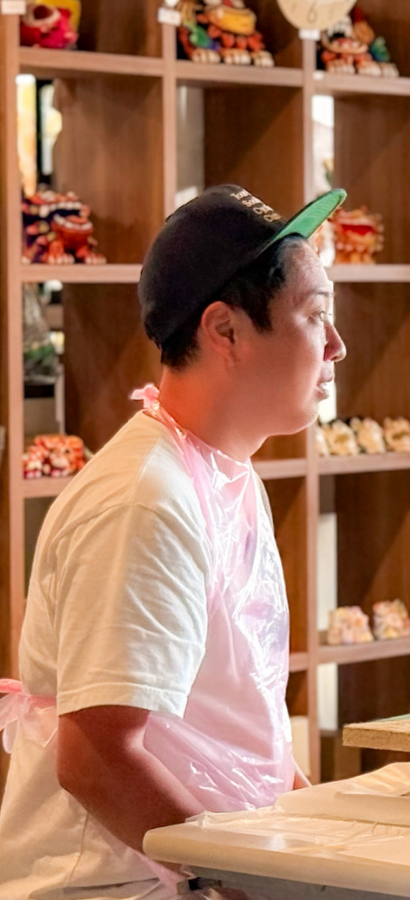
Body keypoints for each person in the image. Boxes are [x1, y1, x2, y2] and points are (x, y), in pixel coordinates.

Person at [0, 184, 348, 900]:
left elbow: (235, 713)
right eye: (316, 317)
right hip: (121, 885)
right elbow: (96, 759)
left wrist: (324, 842)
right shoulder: (146, 500)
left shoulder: (223, 473)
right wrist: (248, 884)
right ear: (225, 332)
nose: (337, 346)